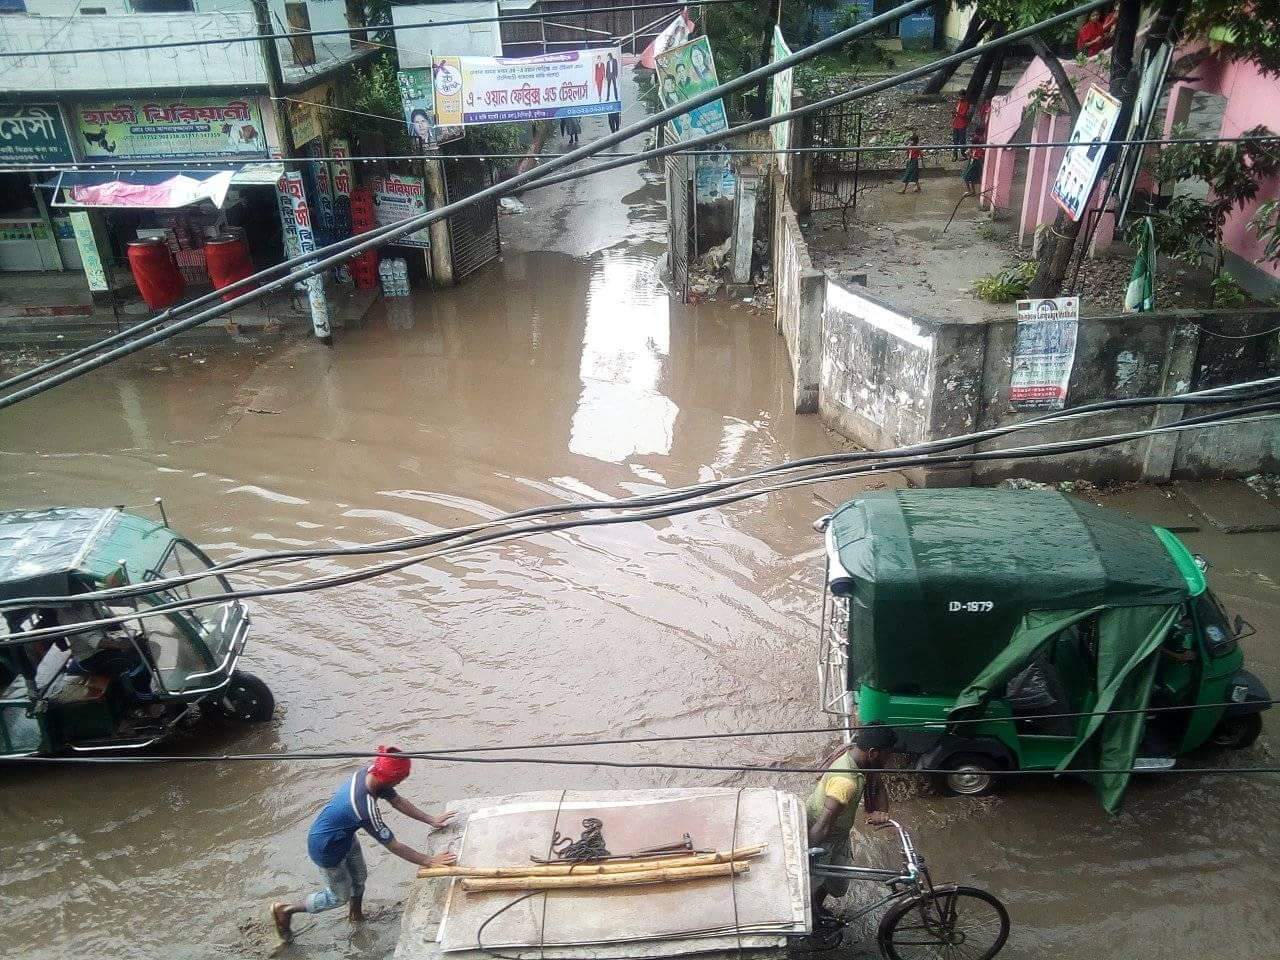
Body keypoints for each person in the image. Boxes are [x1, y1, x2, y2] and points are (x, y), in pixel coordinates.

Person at [271, 747, 458, 943]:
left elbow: (398, 802)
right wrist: (428, 860)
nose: (401, 782)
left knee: (359, 877)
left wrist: (431, 819)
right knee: (338, 897)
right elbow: (393, 845)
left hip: (344, 836)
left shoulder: (371, 774)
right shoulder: (363, 807)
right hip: (326, 849)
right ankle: (286, 909)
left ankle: (356, 915)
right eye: (401, 779)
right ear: (392, 779)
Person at [807, 723, 896, 921]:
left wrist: (882, 811)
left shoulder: (860, 759)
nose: (889, 761)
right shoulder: (845, 782)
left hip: (838, 833)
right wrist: (806, 856)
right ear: (873, 753)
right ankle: (812, 915)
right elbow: (823, 824)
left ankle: (817, 907)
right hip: (822, 835)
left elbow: (878, 784)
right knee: (814, 879)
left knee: (836, 882)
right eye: (887, 756)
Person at [951, 93, 971, 161]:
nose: (960, 97)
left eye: (961, 96)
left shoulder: (966, 104)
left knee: (962, 140)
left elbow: (963, 114)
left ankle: (963, 154)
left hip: (962, 124)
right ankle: (955, 154)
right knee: (955, 140)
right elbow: (957, 112)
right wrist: (954, 114)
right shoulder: (958, 102)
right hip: (956, 123)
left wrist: (956, 113)